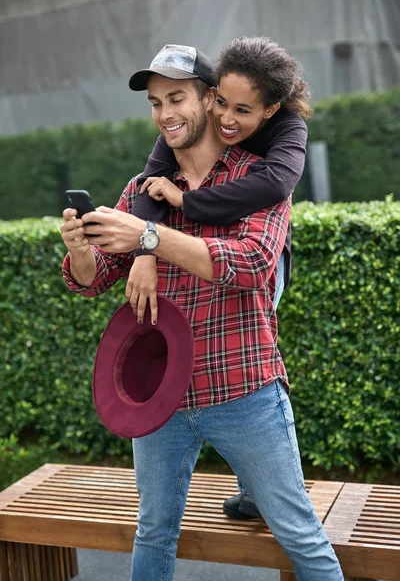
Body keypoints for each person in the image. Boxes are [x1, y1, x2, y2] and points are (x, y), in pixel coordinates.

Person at [60, 43, 344, 581]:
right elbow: (94, 277)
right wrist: (79, 248)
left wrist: (150, 239)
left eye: (176, 98)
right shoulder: (142, 190)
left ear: (211, 99)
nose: (165, 114)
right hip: (160, 396)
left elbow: (253, 262)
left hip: (243, 389)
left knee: (299, 535)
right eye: (154, 103)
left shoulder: (257, 177)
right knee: (153, 532)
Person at [126, 36, 310, 521]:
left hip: (265, 258)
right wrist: (145, 249)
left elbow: (272, 186)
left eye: (241, 110)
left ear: (268, 109)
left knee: (251, 337)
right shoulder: (179, 133)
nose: (228, 119)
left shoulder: (286, 129)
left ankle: (264, 481)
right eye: (223, 103)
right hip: (191, 233)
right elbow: (150, 184)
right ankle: (258, 478)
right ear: (214, 95)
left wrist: (185, 205)